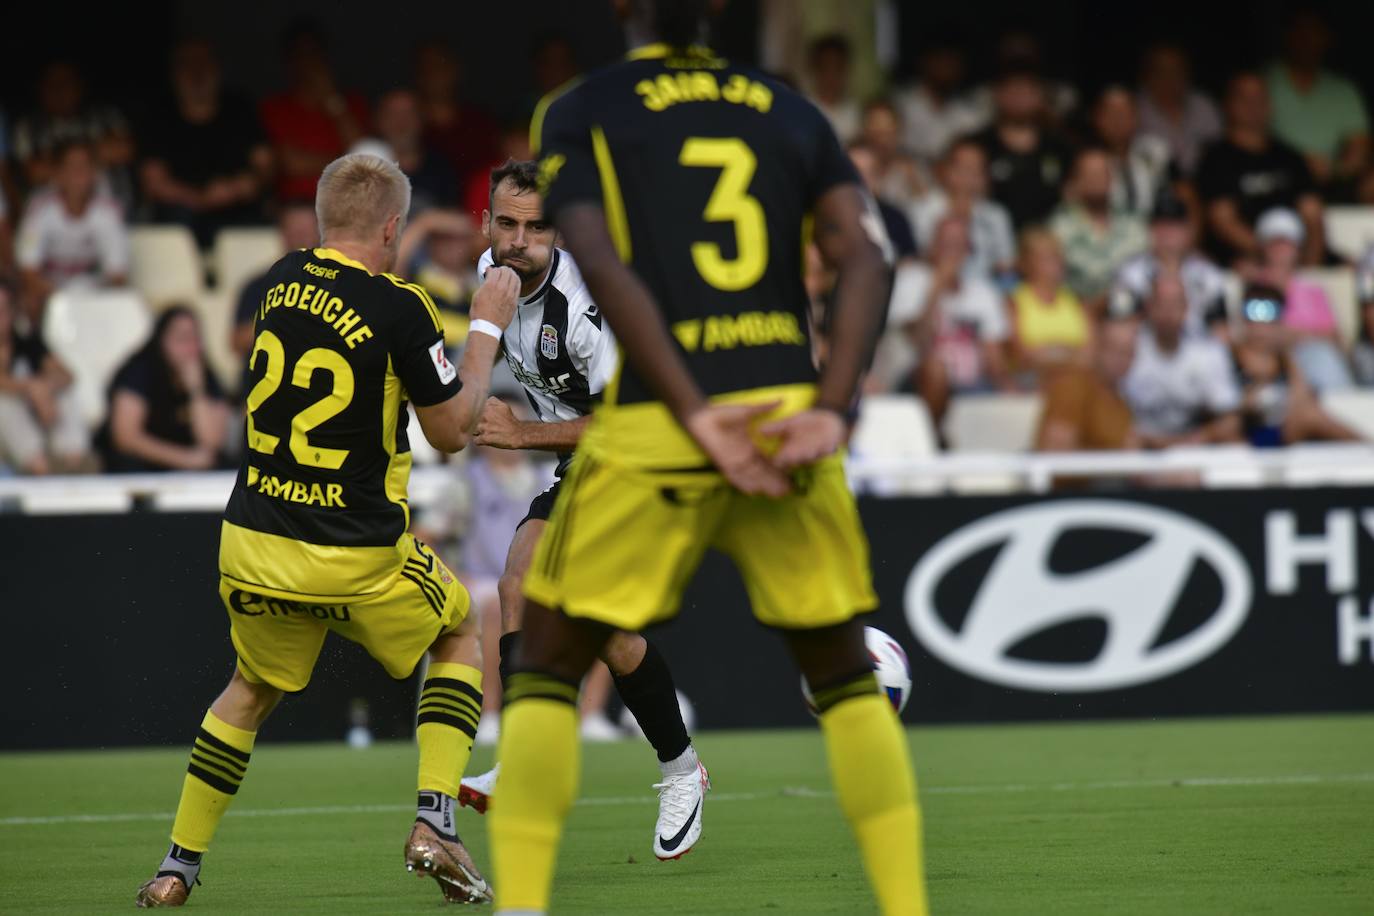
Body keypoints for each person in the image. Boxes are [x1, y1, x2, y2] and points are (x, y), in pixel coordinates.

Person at [493, 4, 927, 914]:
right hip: (779, 413)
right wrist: (835, 405)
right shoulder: (790, 108)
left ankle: (527, 901)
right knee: (846, 677)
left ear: (624, 10)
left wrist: (690, 409)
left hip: (660, 418)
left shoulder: (582, 107)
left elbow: (603, 263)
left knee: (545, 663)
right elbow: (870, 256)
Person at [133, 153, 523, 906]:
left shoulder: (279, 279)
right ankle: (436, 820)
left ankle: (177, 866)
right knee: (460, 630)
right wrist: (485, 326)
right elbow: (450, 430)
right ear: (391, 228)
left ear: (320, 221)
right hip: (353, 556)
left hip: (253, 543)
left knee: (247, 689)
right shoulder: (400, 305)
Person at [452, 160, 708, 842]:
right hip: (583, 464)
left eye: (536, 228)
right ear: (487, 224)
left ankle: (680, 770)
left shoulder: (584, 307)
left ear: (557, 233)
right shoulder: (492, 276)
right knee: (524, 586)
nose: (518, 240)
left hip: (642, 459)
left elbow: (636, 420)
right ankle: (534, 756)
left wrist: (520, 432)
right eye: (506, 223)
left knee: (567, 606)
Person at [871, 215, 1009, 425]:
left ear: (968, 251)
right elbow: (918, 341)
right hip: (915, 379)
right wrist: (936, 288)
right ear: (933, 246)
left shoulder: (983, 292)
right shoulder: (910, 280)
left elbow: (994, 358)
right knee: (936, 369)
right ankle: (934, 437)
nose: (951, 252)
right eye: (945, 244)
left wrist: (1008, 388)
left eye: (958, 245)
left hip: (971, 386)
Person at [140, 39, 272, 248]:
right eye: (188, 64)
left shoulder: (239, 109)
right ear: (175, 73)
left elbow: (265, 166)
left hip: (237, 211)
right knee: (174, 222)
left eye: (203, 63)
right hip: (183, 216)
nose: (196, 72)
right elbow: (154, 182)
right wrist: (201, 199)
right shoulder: (159, 115)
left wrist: (237, 187)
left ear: (217, 68)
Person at [1197, 72, 1324, 267]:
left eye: (1259, 98)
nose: (1253, 105)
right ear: (1228, 104)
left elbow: (1313, 214)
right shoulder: (1215, 159)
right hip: (1242, 262)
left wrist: (1310, 264)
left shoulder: (1289, 157)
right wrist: (1273, 255)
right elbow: (1222, 221)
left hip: (1297, 257)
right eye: (1244, 98)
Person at [98, 306, 230, 473]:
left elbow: (212, 444)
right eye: (182, 338)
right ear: (162, 340)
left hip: (189, 470)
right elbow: (125, 438)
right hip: (143, 468)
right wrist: (185, 460)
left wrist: (196, 391)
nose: (191, 347)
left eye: (195, 338)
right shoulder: (139, 370)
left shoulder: (206, 375)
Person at [1122, 273, 1242, 447]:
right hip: (1137, 448)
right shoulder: (1126, 347)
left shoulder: (1209, 351)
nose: (1168, 312)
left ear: (1186, 308)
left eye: (1175, 304)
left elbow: (1231, 420)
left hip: (1193, 448)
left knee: (1236, 446)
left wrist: (1188, 441)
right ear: (1148, 307)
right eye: (1161, 304)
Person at [1231, 284, 1359, 445]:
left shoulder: (1286, 359)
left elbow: (1301, 401)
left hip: (1281, 433)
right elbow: (1218, 404)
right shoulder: (1229, 355)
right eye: (1252, 313)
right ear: (1242, 318)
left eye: (1269, 315)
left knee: (1311, 415)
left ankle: (1366, 450)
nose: (1260, 328)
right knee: (1227, 425)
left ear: (1280, 321)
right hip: (1241, 433)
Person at [15, 139, 129, 314]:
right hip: (49, 291)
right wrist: (62, 297)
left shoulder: (108, 212)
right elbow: (28, 272)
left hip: (93, 292)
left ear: (94, 173)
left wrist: (87, 298)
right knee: (29, 299)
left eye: (85, 166)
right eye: (71, 167)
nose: (79, 174)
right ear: (58, 174)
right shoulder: (40, 209)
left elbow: (117, 276)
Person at [259, 24, 369, 203]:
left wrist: (333, 101)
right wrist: (347, 162)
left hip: (349, 208)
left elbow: (364, 156)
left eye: (314, 54)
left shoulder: (351, 104)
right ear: (289, 62)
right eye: (301, 55)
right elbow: (291, 164)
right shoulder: (275, 107)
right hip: (296, 208)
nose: (309, 63)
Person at [1267, 9, 1369, 195]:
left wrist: (1335, 168)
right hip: (1275, 178)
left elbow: (1359, 145)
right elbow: (1247, 139)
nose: (1306, 40)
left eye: (1314, 33)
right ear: (1287, 35)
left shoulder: (1342, 90)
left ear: (1326, 39)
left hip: (1333, 180)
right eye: (1301, 31)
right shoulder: (1266, 81)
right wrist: (1299, 165)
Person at [1250, 207, 1352, 391]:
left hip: (1312, 360)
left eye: (1287, 243)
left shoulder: (1313, 290)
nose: (1281, 250)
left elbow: (1335, 337)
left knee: (1322, 357)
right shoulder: (1254, 286)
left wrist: (1288, 335)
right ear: (1263, 247)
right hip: (1271, 362)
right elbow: (1256, 334)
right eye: (1274, 243)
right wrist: (1305, 335)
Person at [12, 60, 135, 207]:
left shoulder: (105, 116)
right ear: (40, 89)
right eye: (51, 84)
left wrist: (58, 158)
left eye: (66, 82)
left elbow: (124, 150)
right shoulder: (29, 127)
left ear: (79, 86)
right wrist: (95, 153)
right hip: (51, 217)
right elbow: (35, 172)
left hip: (113, 209)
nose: (59, 90)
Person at [230, 203, 321, 397]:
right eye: (294, 231)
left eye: (306, 230)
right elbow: (237, 342)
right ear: (282, 235)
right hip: (262, 389)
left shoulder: (335, 284)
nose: (300, 238)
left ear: (319, 234)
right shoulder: (258, 284)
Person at [0, 282, 89, 474]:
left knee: (65, 394)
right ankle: (39, 468)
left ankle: (73, 462)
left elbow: (67, 375)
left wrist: (45, 387)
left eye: (4, 310)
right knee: (4, 403)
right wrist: (31, 387)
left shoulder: (27, 343)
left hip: (40, 422)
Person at [970, 65, 1074, 229]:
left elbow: (1072, 194)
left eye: (1027, 92)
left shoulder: (1060, 147)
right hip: (993, 238)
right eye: (1013, 92)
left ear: (1040, 97)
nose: (1019, 99)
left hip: (1048, 241)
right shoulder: (978, 146)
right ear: (997, 95)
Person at [1112, 191, 1227, 336]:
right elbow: (1122, 323)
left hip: (1198, 350)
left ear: (1188, 231)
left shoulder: (1210, 276)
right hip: (1145, 350)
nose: (1167, 234)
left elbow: (1222, 330)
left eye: (1174, 226)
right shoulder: (1130, 274)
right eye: (1161, 225)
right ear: (1150, 230)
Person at [1049, 147, 1148, 313]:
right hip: (1076, 314)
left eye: (1102, 173)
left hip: (1130, 314)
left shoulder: (1134, 224)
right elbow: (1050, 281)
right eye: (1090, 174)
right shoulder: (1057, 227)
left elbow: (1146, 272)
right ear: (1075, 181)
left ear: (1112, 179)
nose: (1097, 179)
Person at [909, 137, 1016, 280]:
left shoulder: (996, 215)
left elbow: (1006, 264)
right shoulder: (922, 209)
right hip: (932, 282)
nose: (967, 176)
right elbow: (917, 256)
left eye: (975, 170)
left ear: (984, 177)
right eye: (962, 168)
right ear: (946, 170)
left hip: (984, 289)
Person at [1036, 316, 1140, 451]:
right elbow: (1056, 454)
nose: (1121, 360)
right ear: (1098, 347)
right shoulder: (1073, 385)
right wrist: (1116, 460)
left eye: (1128, 353)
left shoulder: (1120, 397)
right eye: (1114, 349)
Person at [414, 42, 500, 191]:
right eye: (426, 67)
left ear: (455, 71)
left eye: (439, 65)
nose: (433, 73)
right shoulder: (408, 126)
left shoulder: (478, 123)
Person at [1009, 228, 1092, 379]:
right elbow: (1020, 355)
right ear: (1026, 263)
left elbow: (1090, 354)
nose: (1056, 263)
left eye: (1057, 256)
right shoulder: (1013, 304)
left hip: (1075, 379)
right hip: (1031, 382)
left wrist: (1045, 351)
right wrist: (1067, 351)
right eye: (1046, 258)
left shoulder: (1078, 303)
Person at [893, 37, 987, 164]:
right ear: (925, 62)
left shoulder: (970, 114)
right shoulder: (901, 105)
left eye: (951, 62)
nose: (945, 68)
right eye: (940, 60)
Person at [1091, 84, 1179, 219]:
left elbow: (1185, 193)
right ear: (1097, 118)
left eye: (1124, 113)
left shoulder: (1157, 151)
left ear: (1136, 116)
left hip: (1157, 232)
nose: (1117, 120)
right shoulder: (1087, 162)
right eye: (1111, 113)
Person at [1136, 43, 1222, 176]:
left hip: (1205, 181)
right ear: (1147, 74)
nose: (1170, 77)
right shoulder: (1136, 109)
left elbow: (1218, 149)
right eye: (1162, 70)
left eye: (1177, 70)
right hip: (1155, 184)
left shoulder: (1203, 105)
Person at [372, 89, 459, 218]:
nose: (401, 122)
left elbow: (455, 223)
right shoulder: (364, 168)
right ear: (379, 121)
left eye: (409, 113)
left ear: (421, 119)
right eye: (392, 114)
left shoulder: (441, 169)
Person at [848, 141, 918, 263]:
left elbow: (909, 264)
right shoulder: (825, 218)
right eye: (854, 171)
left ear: (879, 177)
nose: (860, 179)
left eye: (868, 173)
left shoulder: (896, 219)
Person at [856, 99, 925, 208]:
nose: (882, 140)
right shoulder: (851, 164)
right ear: (864, 132)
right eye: (877, 133)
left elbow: (926, 207)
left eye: (888, 133)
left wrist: (914, 181)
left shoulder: (909, 171)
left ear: (899, 133)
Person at [805, 33, 861, 142]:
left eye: (837, 68)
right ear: (814, 69)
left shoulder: (857, 114)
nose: (831, 75)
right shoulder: (803, 110)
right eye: (825, 67)